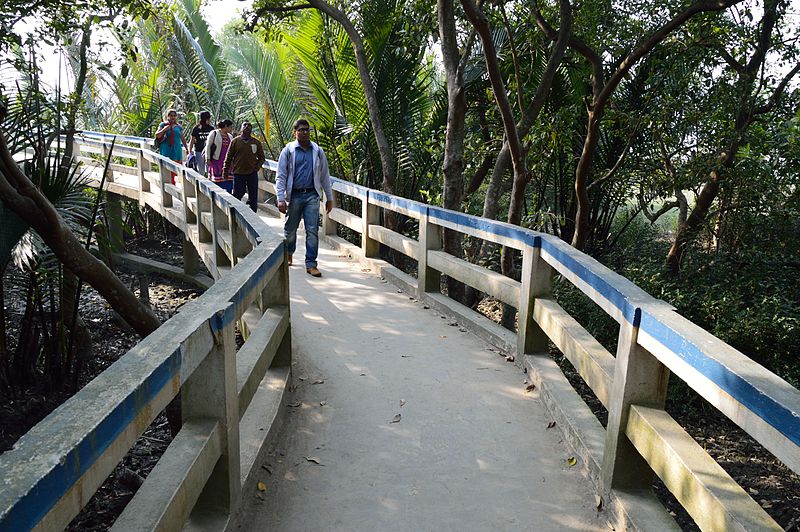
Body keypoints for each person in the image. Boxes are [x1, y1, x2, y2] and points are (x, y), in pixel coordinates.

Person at [275, 119, 334, 277]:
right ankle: (289, 252)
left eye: (307, 129)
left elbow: (324, 176)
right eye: (301, 130)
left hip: (312, 195)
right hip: (294, 195)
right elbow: (281, 175)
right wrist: (280, 198)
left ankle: (311, 263)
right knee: (290, 229)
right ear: (295, 132)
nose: (305, 132)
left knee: (312, 230)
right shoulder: (288, 151)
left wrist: (329, 197)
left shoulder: (317, 151)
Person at [222, 122, 266, 212]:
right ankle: (235, 212)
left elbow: (262, 158)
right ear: (241, 128)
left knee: (253, 195)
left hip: (252, 173)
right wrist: (225, 171)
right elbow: (229, 157)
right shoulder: (235, 141)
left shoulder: (256, 142)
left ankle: (253, 214)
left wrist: (257, 167)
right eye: (244, 125)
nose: (246, 127)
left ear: (251, 129)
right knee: (238, 193)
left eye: (249, 126)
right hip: (238, 173)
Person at [155, 109, 188, 184]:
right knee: (167, 168)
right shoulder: (163, 125)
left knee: (176, 169)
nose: (172, 117)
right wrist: (164, 129)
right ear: (167, 116)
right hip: (166, 149)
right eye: (171, 116)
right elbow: (157, 135)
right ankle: (169, 184)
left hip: (176, 150)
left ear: (176, 117)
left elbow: (182, 138)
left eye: (174, 116)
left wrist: (186, 148)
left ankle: (173, 184)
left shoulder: (179, 126)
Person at [205, 119, 234, 192]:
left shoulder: (230, 136)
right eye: (230, 127)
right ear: (226, 126)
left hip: (227, 162)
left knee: (228, 179)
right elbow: (208, 146)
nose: (231, 129)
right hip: (216, 160)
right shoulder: (214, 133)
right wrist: (207, 158)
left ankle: (229, 194)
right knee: (217, 179)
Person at [189, 110, 214, 175]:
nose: (209, 120)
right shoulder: (196, 128)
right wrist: (190, 151)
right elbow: (192, 140)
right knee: (201, 170)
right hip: (198, 151)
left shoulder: (211, 128)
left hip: (208, 152)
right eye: (208, 118)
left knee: (209, 169)